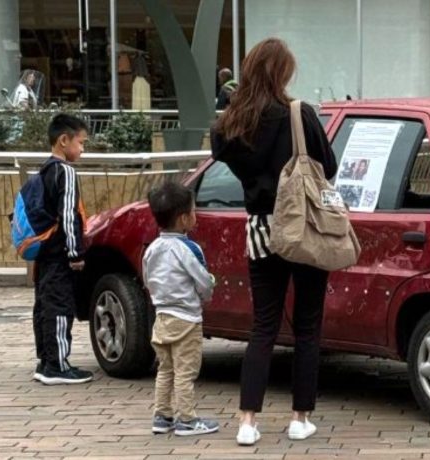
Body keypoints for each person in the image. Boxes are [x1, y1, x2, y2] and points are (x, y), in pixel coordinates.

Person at [210, 38, 337, 446]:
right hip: (303, 227)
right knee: (307, 325)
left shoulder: (234, 124)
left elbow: (220, 147)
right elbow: (329, 166)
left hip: (261, 230)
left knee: (263, 325)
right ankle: (300, 417)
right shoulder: (300, 114)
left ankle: (248, 421)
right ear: (283, 73)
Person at [143, 182, 219, 437]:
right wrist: (208, 291)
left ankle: (162, 415)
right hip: (187, 319)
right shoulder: (189, 249)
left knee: (165, 369)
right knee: (185, 372)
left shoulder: (152, 249)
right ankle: (187, 419)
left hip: (162, 317)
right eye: (194, 211)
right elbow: (203, 281)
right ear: (184, 218)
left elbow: (148, 280)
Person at [31, 114, 93, 385]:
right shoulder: (65, 172)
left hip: (44, 253)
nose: (82, 149)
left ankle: (46, 360)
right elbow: (68, 215)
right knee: (59, 306)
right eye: (81, 142)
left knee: (44, 305)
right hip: (59, 254)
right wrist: (75, 252)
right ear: (64, 140)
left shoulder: (44, 170)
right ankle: (57, 366)